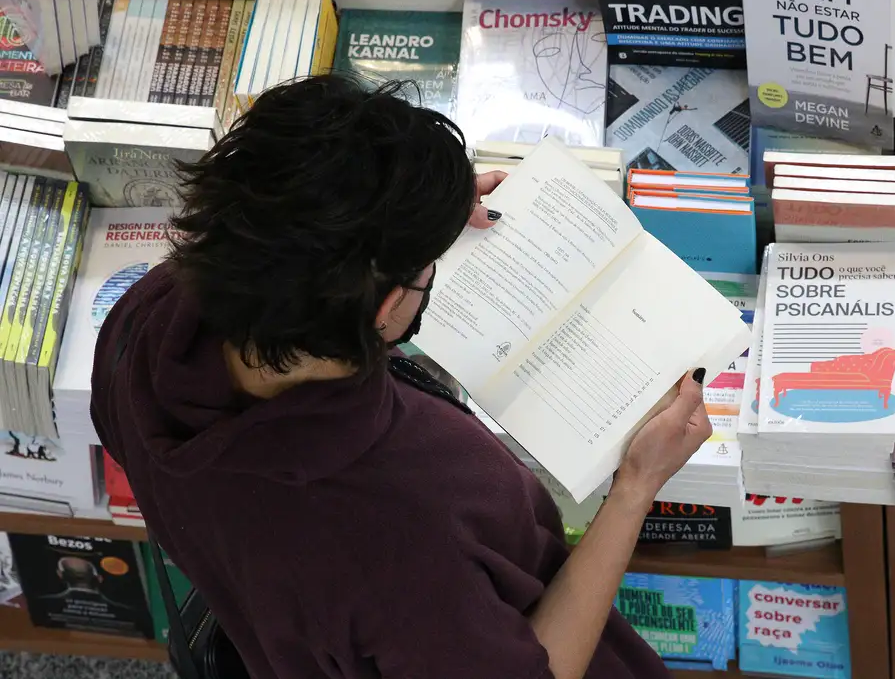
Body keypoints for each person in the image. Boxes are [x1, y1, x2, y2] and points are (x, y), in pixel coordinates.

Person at [90, 74, 712, 679]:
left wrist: (403, 223)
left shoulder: (144, 322)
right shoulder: (401, 539)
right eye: (426, 269)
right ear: (386, 307)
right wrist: (635, 487)